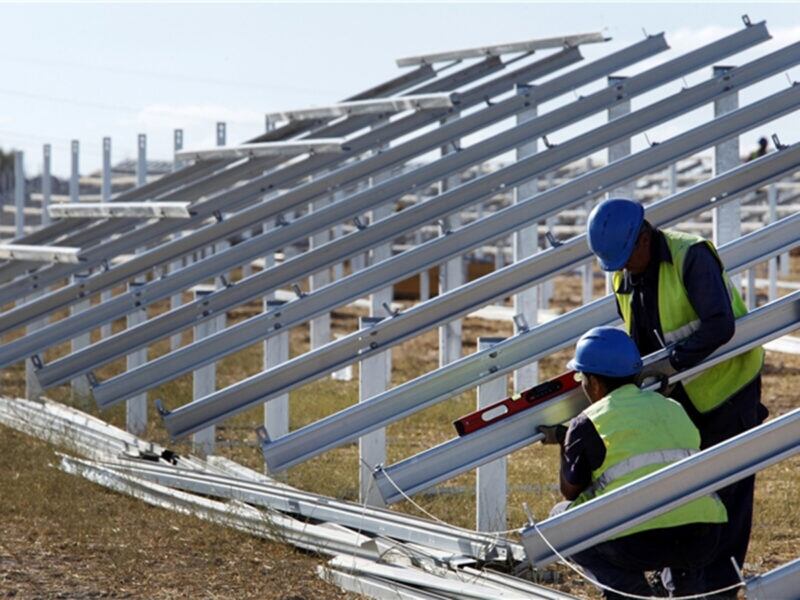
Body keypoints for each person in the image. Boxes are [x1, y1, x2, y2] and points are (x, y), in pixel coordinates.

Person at [586, 198, 767, 596]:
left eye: (625, 260)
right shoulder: (623, 277)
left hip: (727, 392)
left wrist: (673, 364)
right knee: (680, 494)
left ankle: (718, 591)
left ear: (644, 239)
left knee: (727, 499)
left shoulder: (691, 256)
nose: (623, 271)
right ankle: (681, 587)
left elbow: (720, 324)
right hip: (678, 402)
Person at [539, 327, 728, 600]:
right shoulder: (672, 407)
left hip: (637, 542)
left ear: (593, 383)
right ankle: (686, 592)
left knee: (561, 517)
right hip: (704, 535)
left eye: (581, 377)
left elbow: (571, 491)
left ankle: (630, 594)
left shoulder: (588, 421)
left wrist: (564, 440)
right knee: (680, 513)